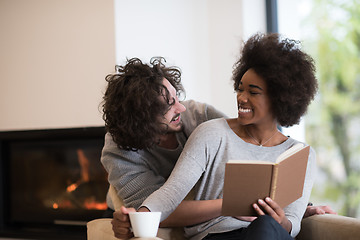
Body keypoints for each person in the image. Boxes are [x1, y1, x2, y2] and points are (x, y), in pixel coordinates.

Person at [101, 56, 335, 239]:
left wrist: (298, 208)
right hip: (206, 226)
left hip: (260, 229)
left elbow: (250, 160)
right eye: (168, 106)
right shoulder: (119, 151)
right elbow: (164, 200)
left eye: (177, 98)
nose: (181, 108)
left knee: (265, 227)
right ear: (142, 120)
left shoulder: (199, 117)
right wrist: (137, 219)